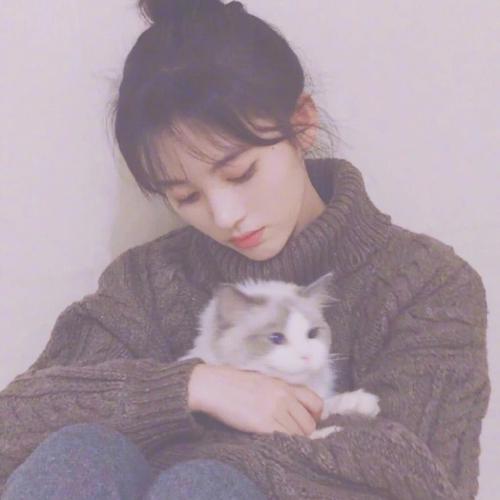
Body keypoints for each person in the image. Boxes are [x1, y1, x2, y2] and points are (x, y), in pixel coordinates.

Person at [0, 0, 491, 499]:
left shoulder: (427, 285)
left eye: (240, 173)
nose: (224, 216)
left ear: (302, 123)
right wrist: (194, 387)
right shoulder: (150, 282)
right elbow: (11, 429)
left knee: (202, 487)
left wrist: (201, 459)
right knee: (83, 451)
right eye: (186, 197)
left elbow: (421, 478)